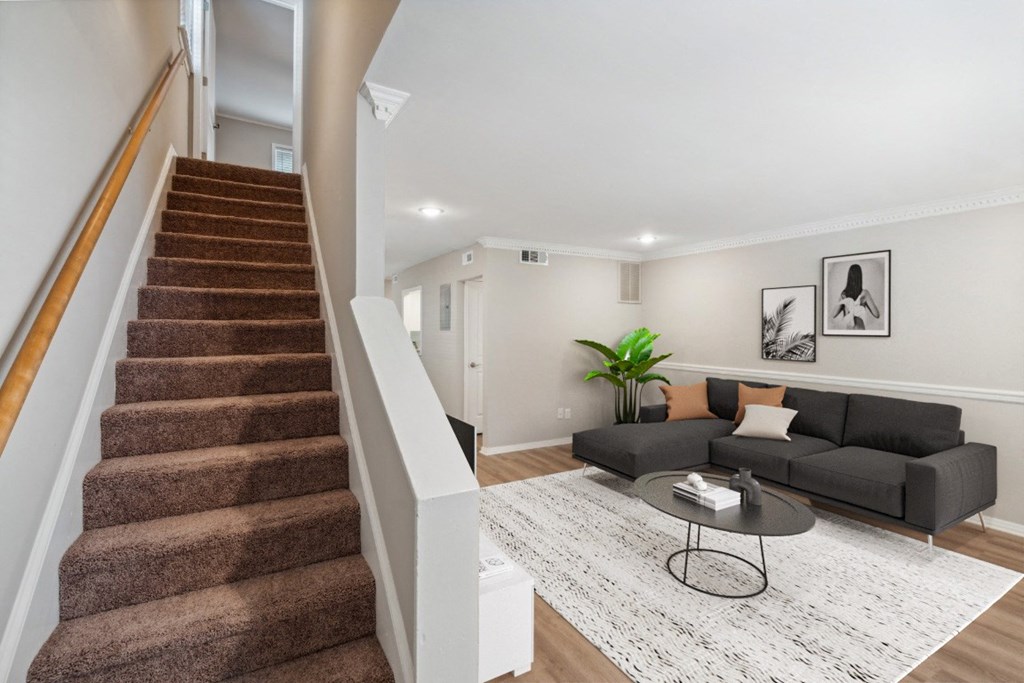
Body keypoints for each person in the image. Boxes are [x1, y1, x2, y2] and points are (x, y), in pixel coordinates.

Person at [831, 264, 880, 330]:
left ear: (849, 277)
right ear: (860, 277)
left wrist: (843, 301)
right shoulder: (865, 293)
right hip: (860, 330)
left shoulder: (844, 294)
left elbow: (833, 314)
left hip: (848, 331)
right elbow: (877, 314)